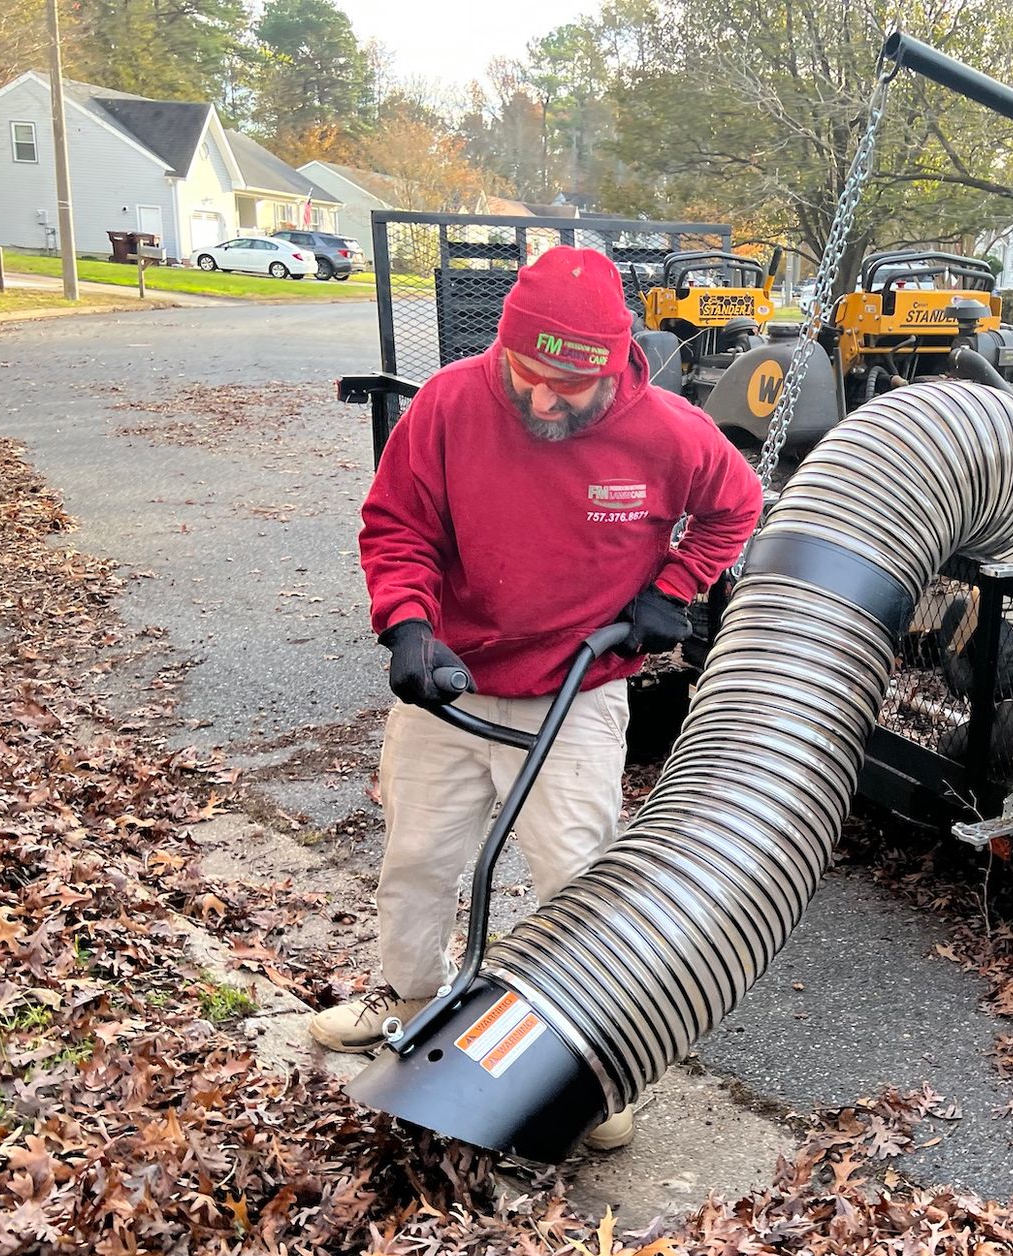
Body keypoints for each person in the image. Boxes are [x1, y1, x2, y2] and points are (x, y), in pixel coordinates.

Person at [310, 246, 763, 1151]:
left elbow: (737, 504)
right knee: (420, 859)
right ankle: (408, 1002)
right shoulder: (449, 405)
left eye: (571, 385)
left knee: (576, 880)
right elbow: (396, 525)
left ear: (615, 362)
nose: (547, 402)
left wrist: (674, 590)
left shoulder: (668, 433)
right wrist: (408, 626)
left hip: (577, 692)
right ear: (506, 351)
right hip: (454, 680)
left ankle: (586, 1060)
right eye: (531, 377)